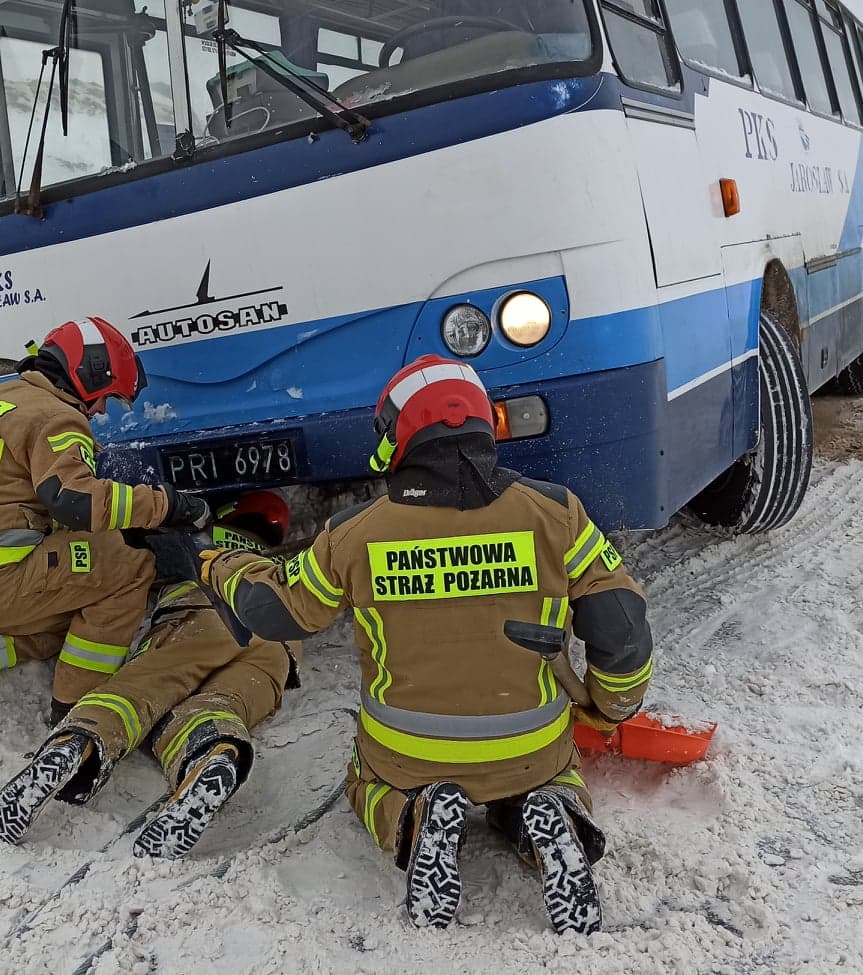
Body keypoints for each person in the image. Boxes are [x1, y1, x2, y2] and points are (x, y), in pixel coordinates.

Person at [187, 356, 655, 934]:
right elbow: (622, 624)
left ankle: (413, 816)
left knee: (365, 782)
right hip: (530, 745)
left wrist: (225, 566)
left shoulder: (355, 534)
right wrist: (611, 706)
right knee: (552, 776)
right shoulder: (556, 513)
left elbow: (279, 611)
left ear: (401, 436)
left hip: (406, 754)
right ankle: (552, 814)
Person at [0, 316, 212, 722]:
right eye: (105, 398)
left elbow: (19, 501)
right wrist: (167, 505)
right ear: (89, 374)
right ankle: (78, 714)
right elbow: (74, 499)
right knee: (130, 569)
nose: (98, 412)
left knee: (75, 611)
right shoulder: (56, 414)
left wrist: (115, 518)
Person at [0, 491, 299, 859]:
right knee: (221, 706)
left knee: (142, 689)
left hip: (209, 617)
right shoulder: (286, 562)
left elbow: (132, 557)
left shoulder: (203, 538)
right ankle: (215, 751)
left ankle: (77, 741)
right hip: (277, 648)